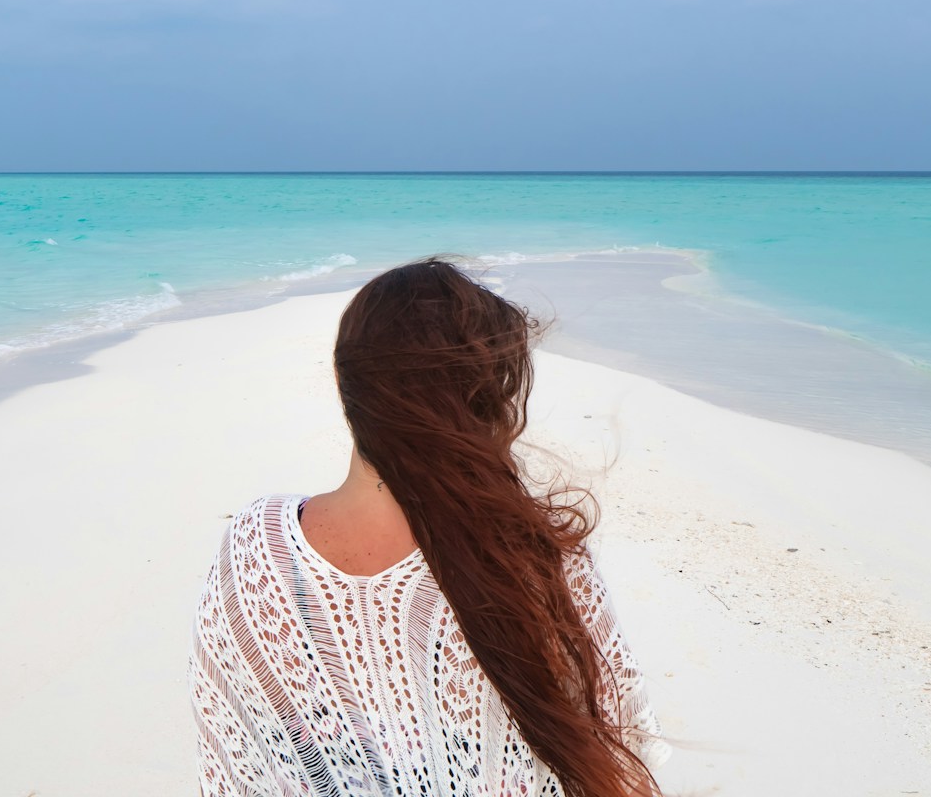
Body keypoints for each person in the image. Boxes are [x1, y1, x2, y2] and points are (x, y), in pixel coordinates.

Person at [190, 258, 664, 797]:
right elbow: (620, 760)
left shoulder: (254, 545)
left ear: (348, 388)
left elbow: (237, 754)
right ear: (491, 405)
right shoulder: (533, 557)